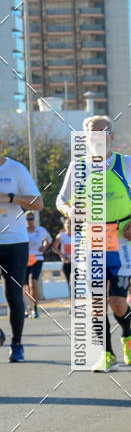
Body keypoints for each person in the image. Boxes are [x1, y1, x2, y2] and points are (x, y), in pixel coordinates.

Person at [57, 115, 131, 371]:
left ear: (111, 137)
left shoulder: (125, 163)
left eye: (102, 133)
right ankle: (106, 354)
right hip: (92, 240)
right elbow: (60, 200)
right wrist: (70, 211)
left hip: (121, 240)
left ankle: (128, 335)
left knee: (117, 302)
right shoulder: (78, 167)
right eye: (91, 135)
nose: (96, 139)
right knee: (96, 302)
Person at [0, 155, 43, 361]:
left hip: (15, 243)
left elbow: (38, 203)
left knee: (13, 295)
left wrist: (9, 197)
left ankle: (16, 344)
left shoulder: (16, 169)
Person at [23, 212, 51, 318]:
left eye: (31, 218)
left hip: (37, 258)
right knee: (25, 286)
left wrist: (44, 247)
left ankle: (35, 308)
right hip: (24, 259)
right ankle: (27, 308)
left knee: (33, 283)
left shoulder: (40, 230)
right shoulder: (22, 230)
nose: (30, 220)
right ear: (24, 220)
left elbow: (47, 240)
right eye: (28, 218)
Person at [51, 218, 72, 291]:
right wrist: (62, 255)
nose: (69, 225)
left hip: (77, 263)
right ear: (64, 225)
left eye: (71, 223)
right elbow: (54, 247)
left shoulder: (79, 236)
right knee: (70, 282)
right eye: (67, 223)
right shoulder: (61, 236)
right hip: (66, 262)